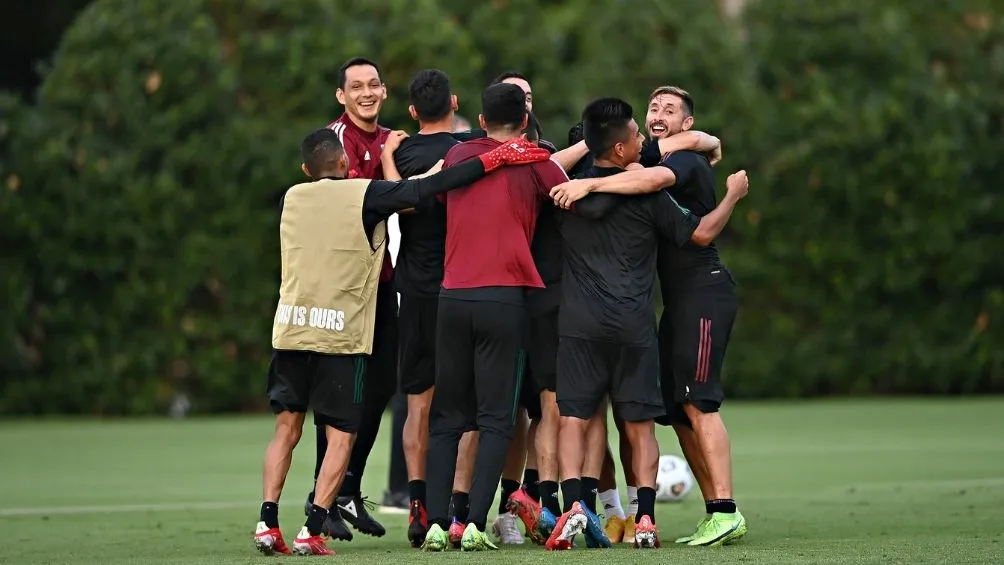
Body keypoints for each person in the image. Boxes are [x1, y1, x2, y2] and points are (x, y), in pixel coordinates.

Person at [253, 127, 552, 556]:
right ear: (344, 165)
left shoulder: (292, 197)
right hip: (339, 336)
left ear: (306, 170)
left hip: (291, 329)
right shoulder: (365, 194)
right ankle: (311, 529)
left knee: (286, 429)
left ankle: (267, 522)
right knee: (341, 434)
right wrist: (493, 159)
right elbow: (426, 189)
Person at [549, 85, 749, 548]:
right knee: (657, 418)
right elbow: (694, 231)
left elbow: (548, 172)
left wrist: (588, 179)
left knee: (581, 417)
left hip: (621, 314)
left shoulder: (570, 190)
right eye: (648, 114)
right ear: (621, 146)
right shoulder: (648, 182)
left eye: (668, 110)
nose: (653, 120)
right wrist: (730, 186)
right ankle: (646, 518)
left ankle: (580, 506)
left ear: (686, 123)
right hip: (639, 321)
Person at [420, 83, 572, 552]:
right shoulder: (538, 162)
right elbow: (569, 194)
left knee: (447, 417)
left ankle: (436, 523)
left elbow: (439, 195)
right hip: (505, 300)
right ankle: (475, 525)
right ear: (524, 121)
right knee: (495, 420)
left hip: (452, 297)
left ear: (480, 120)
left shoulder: (459, 155)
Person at [377, 68, 481, 548]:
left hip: (416, 292)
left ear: (413, 111)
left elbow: (401, 202)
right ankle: (458, 508)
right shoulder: (473, 150)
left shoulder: (400, 154)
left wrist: (385, 158)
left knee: (417, 403)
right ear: (455, 102)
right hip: (465, 288)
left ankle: (417, 503)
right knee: (464, 406)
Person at [306, 56, 397, 541]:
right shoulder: (332, 142)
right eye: (356, 86)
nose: (366, 92)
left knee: (382, 387)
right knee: (341, 396)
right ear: (341, 96)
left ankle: (346, 489)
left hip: (384, 286)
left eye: (373, 84)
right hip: (343, 290)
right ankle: (322, 498)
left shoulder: (391, 140)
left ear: (384, 91)